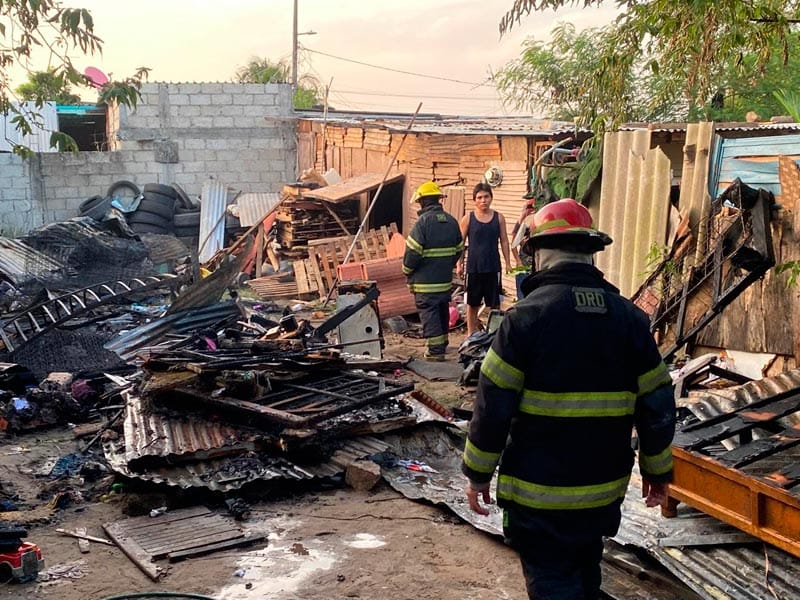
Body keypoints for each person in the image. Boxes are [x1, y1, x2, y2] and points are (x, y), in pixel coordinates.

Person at [461, 198, 676, 599]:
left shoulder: (524, 319)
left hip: (538, 497)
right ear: (590, 253)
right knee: (585, 574)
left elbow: (492, 408)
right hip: (602, 492)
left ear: (539, 255)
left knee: (553, 585)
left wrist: (477, 473)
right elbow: (658, 404)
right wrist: (657, 472)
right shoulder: (630, 320)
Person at [402, 181, 464, 361]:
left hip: (425, 283)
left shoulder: (422, 224)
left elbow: (412, 254)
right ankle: (442, 343)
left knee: (430, 313)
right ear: (438, 199)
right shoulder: (452, 222)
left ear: (422, 202)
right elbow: (459, 249)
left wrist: (407, 270)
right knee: (442, 310)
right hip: (444, 281)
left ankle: (436, 353)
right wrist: (445, 265)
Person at [457, 182, 511, 336]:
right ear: (475, 200)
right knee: (472, 303)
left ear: (491, 198)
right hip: (474, 268)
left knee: (495, 303)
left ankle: (495, 334)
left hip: (493, 267)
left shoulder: (499, 218)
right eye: (479, 197)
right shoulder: (468, 219)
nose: (483, 200)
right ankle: (470, 335)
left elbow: (504, 240)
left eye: (486, 197)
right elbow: (460, 243)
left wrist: (508, 263)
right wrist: (459, 264)